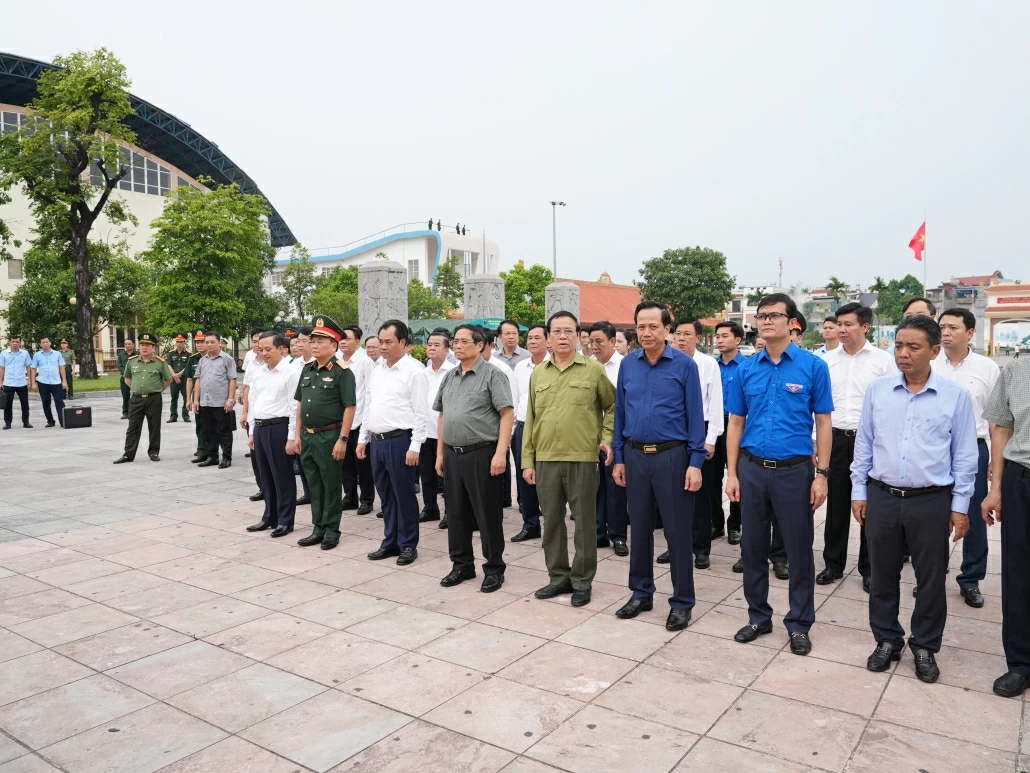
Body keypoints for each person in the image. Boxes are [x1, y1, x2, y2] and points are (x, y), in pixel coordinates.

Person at [852, 315, 976, 683]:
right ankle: (887, 639)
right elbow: (865, 445)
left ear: (934, 351)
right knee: (882, 574)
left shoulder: (955, 397)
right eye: (899, 346)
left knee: (932, 577)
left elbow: (965, 456)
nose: (903, 354)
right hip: (883, 496)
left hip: (931, 500)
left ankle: (924, 645)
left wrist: (960, 507)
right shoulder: (879, 391)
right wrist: (859, 491)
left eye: (913, 347)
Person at [725, 293, 833, 656]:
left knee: (799, 551)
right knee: (752, 548)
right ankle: (758, 616)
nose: (767, 321)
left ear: (792, 323)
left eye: (775, 315)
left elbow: (823, 421)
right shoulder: (746, 369)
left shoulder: (812, 367)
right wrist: (733, 473)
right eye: (762, 315)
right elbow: (736, 422)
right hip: (753, 469)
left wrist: (822, 474)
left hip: (794, 472)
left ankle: (800, 623)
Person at [612, 301, 705, 630]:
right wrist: (619, 457)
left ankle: (682, 601)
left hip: (672, 457)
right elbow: (620, 414)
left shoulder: (684, 366)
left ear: (667, 329)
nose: (647, 332)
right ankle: (641, 591)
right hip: (635, 457)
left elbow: (696, 416)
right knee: (638, 528)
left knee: (677, 532)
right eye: (641, 326)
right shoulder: (628, 365)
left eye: (654, 326)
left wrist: (695, 462)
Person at [524, 311, 614, 608]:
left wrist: (607, 437)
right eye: (556, 331)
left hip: (583, 458)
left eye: (568, 331)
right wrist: (527, 460)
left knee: (585, 523)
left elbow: (613, 407)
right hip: (546, 459)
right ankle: (558, 577)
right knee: (551, 522)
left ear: (578, 336)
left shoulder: (593, 370)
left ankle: (582, 581)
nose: (562, 337)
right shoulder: (538, 373)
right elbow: (531, 418)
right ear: (548, 337)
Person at [817, 303, 895, 592]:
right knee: (836, 504)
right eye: (839, 323)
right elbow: (818, 408)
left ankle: (869, 567)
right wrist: (817, 440)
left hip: (870, 441)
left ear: (865, 327)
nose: (841, 329)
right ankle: (832, 564)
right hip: (834, 438)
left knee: (868, 506)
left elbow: (890, 403)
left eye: (848, 324)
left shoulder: (882, 361)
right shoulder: (826, 361)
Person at [434, 324, 513, 592]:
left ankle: (494, 568)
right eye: (455, 341)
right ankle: (462, 565)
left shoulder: (493, 375)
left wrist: (501, 453)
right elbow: (443, 415)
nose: (457, 345)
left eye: (463, 341)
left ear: (480, 345)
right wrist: (440, 453)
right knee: (455, 514)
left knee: (487, 513)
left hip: (482, 453)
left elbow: (506, 414)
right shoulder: (449, 376)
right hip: (453, 455)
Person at [932, 307, 1000, 608]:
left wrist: (995, 462)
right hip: (934, 448)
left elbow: (998, 421)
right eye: (942, 327)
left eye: (953, 328)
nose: (946, 332)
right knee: (932, 516)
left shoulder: (987, 368)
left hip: (973, 448)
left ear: (970, 333)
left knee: (972, 515)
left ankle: (970, 579)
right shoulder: (931, 363)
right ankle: (929, 577)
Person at [359, 320, 428, 565]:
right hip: (377, 442)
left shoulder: (414, 372)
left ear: (404, 343)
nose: (383, 346)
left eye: (389, 342)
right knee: (386, 495)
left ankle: (408, 544)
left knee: (404, 495)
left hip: (401, 440)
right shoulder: (377, 370)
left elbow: (421, 413)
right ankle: (390, 541)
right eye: (381, 341)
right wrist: (363, 439)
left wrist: (415, 446)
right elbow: (369, 405)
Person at [983, 347, 1030, 697]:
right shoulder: (1017, 369)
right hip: (1021, 479)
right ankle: (1020, 663)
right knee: (1018, 573)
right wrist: (996, 488)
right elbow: (1001, 429)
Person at [293, 315, 357, 550]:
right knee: (314, 484)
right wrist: (298, 435)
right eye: (314, 340)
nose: (315, 344)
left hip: (330, 436)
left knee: (330, 485)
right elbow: (300, 404)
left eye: (321, 341)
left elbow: (350, 407)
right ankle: (317, 527)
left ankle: (331, 529)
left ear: (334, 345)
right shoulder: (307, 370)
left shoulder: (342, 372)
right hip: (309, 436)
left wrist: (342, 439)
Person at [669, 317, 724, 570]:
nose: (681, 338)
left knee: (700, 494)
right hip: (672, 431)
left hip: (699, 430)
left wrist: (710, 440)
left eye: (687, 334)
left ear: (697, 338)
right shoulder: (666, 361)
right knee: (673, 495)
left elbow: (715, 404)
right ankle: (676, 547)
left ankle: (701, 548)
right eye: (678, 333)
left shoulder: (708, 364)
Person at [244, 331, 302, 538]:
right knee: (265, 474)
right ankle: (270, 516)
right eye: (261, 349)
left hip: (280, 426)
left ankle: (286, 520)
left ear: (281, 349)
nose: (264, 353)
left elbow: (295, 406)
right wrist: (252, 431)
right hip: (260, 427)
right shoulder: (258, 372)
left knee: (282, 475)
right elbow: (254, 403)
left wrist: (292, 437)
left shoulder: (291, 372)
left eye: (269, 349)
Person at [589, 321, 628, 556]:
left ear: (613, 342)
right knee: (593, 487)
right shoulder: (586, 366)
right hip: (591, 437)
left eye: (599, 342)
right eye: (591, 342)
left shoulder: (626, 366)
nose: (594, 346)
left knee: (615, 488)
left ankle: (618, 536)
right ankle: (597, 533)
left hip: (617, 436)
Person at [511, 324, 548, 542]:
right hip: (524, 427)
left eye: (537, 338)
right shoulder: (520, 367)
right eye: (530, 338)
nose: (532, 341)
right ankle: (530, 524)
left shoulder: (554, 365)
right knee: (525, 477)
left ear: (547, 341)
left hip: (546, 429)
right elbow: (515, 400)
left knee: (548, 478)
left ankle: (552, 526)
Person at [113, 333, 172, 463]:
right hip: (136, 399)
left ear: (153, 348)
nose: (144, 348)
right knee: (133, 427)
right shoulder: (132, 361)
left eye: (148, 345)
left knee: (154, 426)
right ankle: (128, 454)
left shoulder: (160, 362)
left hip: (154, 399)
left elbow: (168, 379)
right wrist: (137, 389)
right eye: (142, 345)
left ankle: (154, 452)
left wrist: (156, 389)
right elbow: (127, 378)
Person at [712, 321, 746, 545]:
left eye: (725, 336)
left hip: (738, 424)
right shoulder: (711, 365)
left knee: (737, 476)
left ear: (738, 340)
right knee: (712, 477)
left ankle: (736, 524)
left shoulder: (748, 366)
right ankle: (716, 523)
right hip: (714, 425)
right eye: (718, 336)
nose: (720, 340)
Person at [339, 326, 376, 515]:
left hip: (360, 420)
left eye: (347, 338)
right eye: (341, 338)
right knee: (345, 464)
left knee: (363, 464)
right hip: (342, 422)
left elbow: (370, 394)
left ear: (357, 342)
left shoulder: (365, 362)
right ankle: (350, 497)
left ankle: (367, 500)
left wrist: (367, 424)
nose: (343, 341)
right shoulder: (336, 362)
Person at [420, 330, 456, 524]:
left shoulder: (454, 371)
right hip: (425, 432)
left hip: (445, 433)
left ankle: (450, 512)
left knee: (447, 476)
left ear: (446, 348)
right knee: (426, 476)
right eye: (429, 345)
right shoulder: (422, 373)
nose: (431, 348)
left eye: (436, 345)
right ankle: (429, 508)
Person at [480, 329, 519, 508]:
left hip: (498, 427)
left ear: (490, 345)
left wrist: (510, 431)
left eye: (482, 346)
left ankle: (504, 498)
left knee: (501, 464)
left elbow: (512, 401)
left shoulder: (501, 369)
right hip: (481, 431)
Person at [193, 330, 237, 469]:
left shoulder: (227, 359)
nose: (209, 345)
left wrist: (230, 399)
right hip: (205, 402)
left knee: (224, 430)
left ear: (219, 343)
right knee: (209, 430)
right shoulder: (202, 360)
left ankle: (226, 457)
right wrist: (196, 399)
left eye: (212, 342)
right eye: (207, 342)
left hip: (221, 402)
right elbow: (198, 380)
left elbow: (232, 380)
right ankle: (212, 456)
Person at [30, 336, 68, 428]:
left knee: (60, 402)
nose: (45, 344)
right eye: (43, 342)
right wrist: (33, 383)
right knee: (46, 402)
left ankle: (62, 421)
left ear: (50, 343)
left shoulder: (57, 354)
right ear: (40, 344)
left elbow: (62, 367)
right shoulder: (37, 355)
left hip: (56, 382)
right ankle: (50, 421)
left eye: (47, 342)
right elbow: (33, 369)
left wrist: (64, 381)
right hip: (43, 382)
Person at [0, 335, 33, 430]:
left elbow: (28, 367)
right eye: (13, 341)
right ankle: (8, 423)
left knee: (25, 404)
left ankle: (26, 422)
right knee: (7, 405)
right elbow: (2, 368)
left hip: (21, 382)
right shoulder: (4, 353)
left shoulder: (25, 353)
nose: (15, 343)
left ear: (20, 343)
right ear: (9, 342)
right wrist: (0, 382)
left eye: (17, 341)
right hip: (8, 383)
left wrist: (30, 381)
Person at [185, 331, 208, 463]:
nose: (199, 345)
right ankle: (202, 450)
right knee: (200, 424)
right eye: (197, 342)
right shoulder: (193, 359)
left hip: (213, 396)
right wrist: (188, 398)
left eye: (202, 342)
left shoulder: (216, 357)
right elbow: (189, 380)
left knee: (214, 425)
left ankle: (212, 449)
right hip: (197, 397)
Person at [166, 334, 192, 423]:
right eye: (177, 341)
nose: (179, 343)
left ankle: (186, 415)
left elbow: (188, 366)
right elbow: (169, 365)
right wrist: (174, 375)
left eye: (181, 342)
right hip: (173, 379)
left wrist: (179, 375)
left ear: (184, 342)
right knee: (174, 397)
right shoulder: (171, 353)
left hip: (184, 379)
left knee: (186, 397)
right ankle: (173, 416)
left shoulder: (189, 354)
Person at [117, 339, 135, 419]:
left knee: (136, 395)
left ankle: (135, 412)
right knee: (125, 396)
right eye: (126, 344)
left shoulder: (137, 354)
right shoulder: (121, 355)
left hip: (135, 378)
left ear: (133, 345)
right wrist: (126, 374)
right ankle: (125, 412)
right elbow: (119, 366)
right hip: (124, 378)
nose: (127, 345)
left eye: (129, 344)